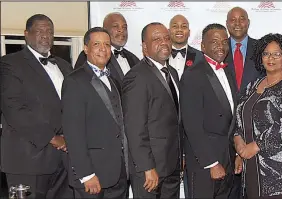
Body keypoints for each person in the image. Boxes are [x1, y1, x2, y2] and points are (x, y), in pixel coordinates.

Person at [0, 14, 73, 199]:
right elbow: (14, 109)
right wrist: (52, 138)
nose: (45, 35)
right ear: (26, 34)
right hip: (28, 159)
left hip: (65, 160)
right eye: (39, 31)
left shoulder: (64, 66)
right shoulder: (9, 64)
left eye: (49, 31)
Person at [233, 33, 282, 198]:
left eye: (277, 54)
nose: (271, 58)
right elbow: (240, 118)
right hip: (253, 170)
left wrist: (254, 146)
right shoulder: (252, 86)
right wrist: (238, 142)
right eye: (266, 53)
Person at [62, 27, 128, 199]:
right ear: (86, 48)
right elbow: (73, 132)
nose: (103, 49)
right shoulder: (74, 81)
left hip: (119, 173)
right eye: (97, 44)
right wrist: (86, 174)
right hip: (92, 176)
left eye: (107, 44)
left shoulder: (114, 80)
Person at [122, 22, 182, 199]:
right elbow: (134, 128)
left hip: (172, 164)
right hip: (150, 170)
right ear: (144, 47)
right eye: (156, 39)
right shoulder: (137, 76)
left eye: (166, 38)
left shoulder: (172, 73)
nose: (164, 42)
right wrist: (147, 167)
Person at [180, 23, 236, 198]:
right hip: (205, 161)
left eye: (224, 41)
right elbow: (191, 125)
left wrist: (237, 153)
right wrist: (211, 163)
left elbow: (233, 116)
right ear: (203, 46)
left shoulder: (228, 72)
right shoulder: (192, 75)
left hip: (228, 157)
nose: (221, 46)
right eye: (214, 42)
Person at [75, 12, 139, 87]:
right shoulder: (89, 55)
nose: (121, 30)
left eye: (124, 27)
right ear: (104, 29)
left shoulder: (133, 58)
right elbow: (79, 83)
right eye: (115, 26)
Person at [225, 7, 260, 94]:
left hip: (255, 105)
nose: (237, 23)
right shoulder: (219, 50)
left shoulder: (261, 47)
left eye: (241, 19)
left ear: (248, 22)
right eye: (233, 20)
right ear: (227, 24)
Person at [169, 14, 203, 79]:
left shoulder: (200, 57)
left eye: (184, 27)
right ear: (169, 31)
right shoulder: (160, 56)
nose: (179, 30)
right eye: (175, 26)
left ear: (189, 32)